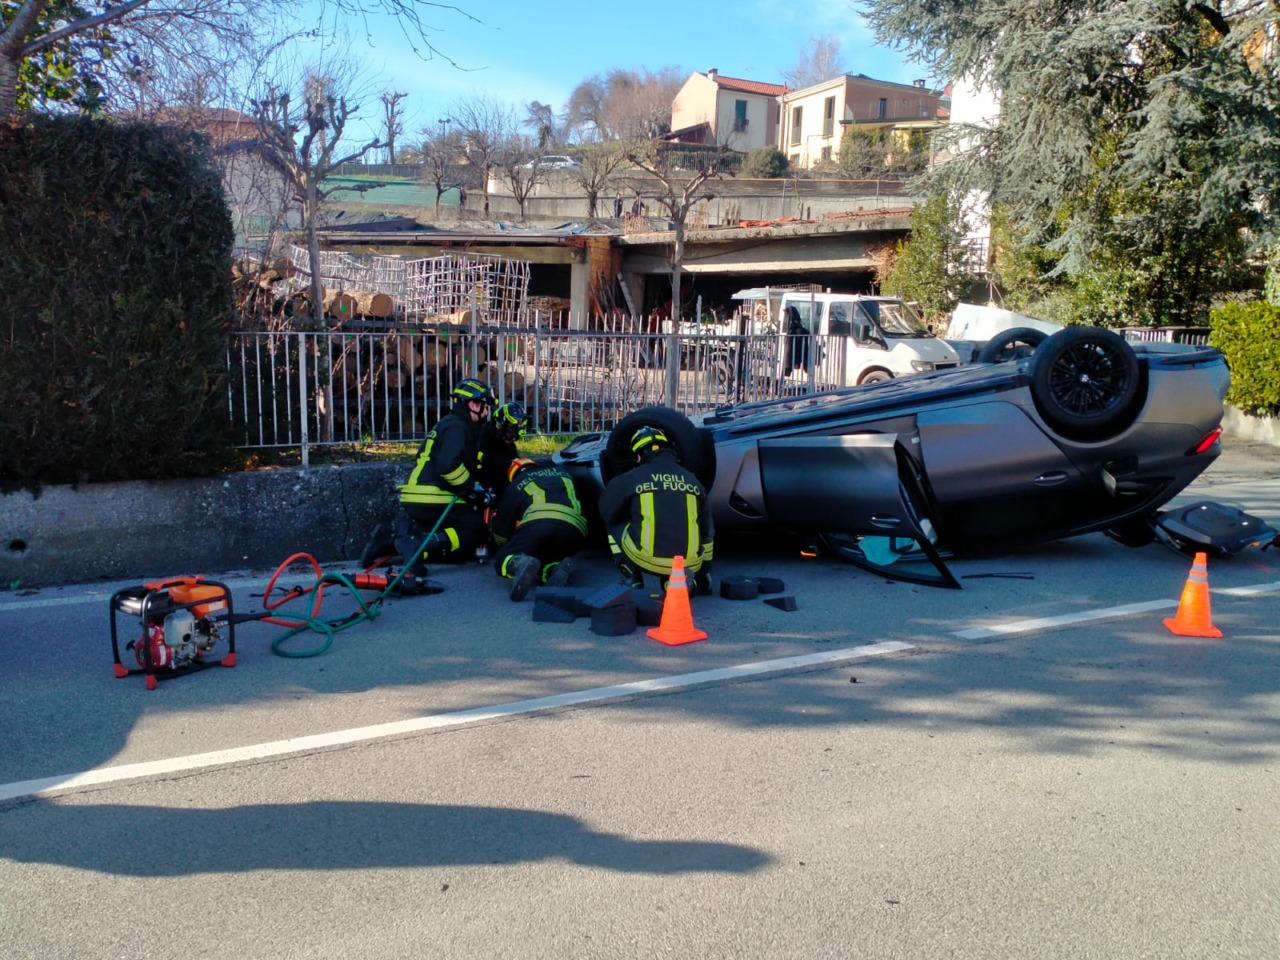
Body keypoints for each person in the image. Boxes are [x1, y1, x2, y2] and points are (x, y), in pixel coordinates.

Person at [597, 426, 714, 594]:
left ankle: (632, 576)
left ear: (638, 456)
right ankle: (678, 582)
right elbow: (707, 531)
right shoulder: (693, 480)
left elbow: (606, 510)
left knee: (613, 521)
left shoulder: (632, 477)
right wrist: (703, 571)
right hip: (688, 562)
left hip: (646, 560)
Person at [394, 377, 495, 570]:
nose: (486, 412)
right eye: (485, 406)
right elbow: (448, 466)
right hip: (433, 497)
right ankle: (418, 545)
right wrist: (471, 490)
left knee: (458, 551)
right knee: (476, 530)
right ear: (473, 404)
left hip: (418, 495)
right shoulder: (458, 427)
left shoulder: (448, 423)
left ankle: (388, 543)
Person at [490, 458, 589, 601]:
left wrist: (504, 545)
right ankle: (553, 569)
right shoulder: (563, 473)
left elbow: (502, 526)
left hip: (539, 523)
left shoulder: (518, 482)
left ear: (514, 474)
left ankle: (518, 563)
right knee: (550, 555)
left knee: (503, 557)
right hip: (576, 530)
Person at [477, 400, 528, 496]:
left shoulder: (509, 444)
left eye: (515, 437)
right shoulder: (481, 438)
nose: (513, 439)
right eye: (510, 434)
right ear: (499, 426)